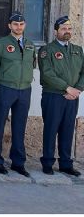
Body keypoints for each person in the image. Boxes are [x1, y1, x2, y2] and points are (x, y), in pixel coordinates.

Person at [0, 11, 36, 177]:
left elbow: (32, 64)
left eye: (21, 24)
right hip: (6, 88)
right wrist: (1, 83)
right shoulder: (0, 44)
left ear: (25, 25)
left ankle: (18, 162)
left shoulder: (30, 45)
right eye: (15, 24)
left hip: (24, 89)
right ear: (9, 26)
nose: (18, 27)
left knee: (19, 126)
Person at [38, 16, 83, 177]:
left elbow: (83, 72)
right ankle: (48, 163)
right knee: (51, 129)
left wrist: (78, 89)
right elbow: (48, 74)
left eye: (69, 28)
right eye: (63, 28)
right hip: (54, 96)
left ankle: (65, 164)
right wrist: (67, 88)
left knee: (68, 130)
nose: (67, 31)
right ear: (56, 31)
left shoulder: (78, 50)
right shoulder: (46, 50)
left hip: (72, 98)